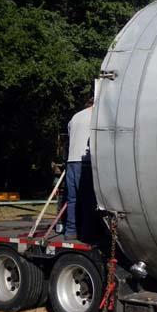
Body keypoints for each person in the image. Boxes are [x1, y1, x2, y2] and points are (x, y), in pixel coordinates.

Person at [65, 98, 95, 240]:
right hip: (85, 162)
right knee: (88, 199)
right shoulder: (96, 115)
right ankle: (87, 232)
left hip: (71, 161)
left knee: (72, 199)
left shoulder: (75, 117)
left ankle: (70, 231)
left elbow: (71, 135)